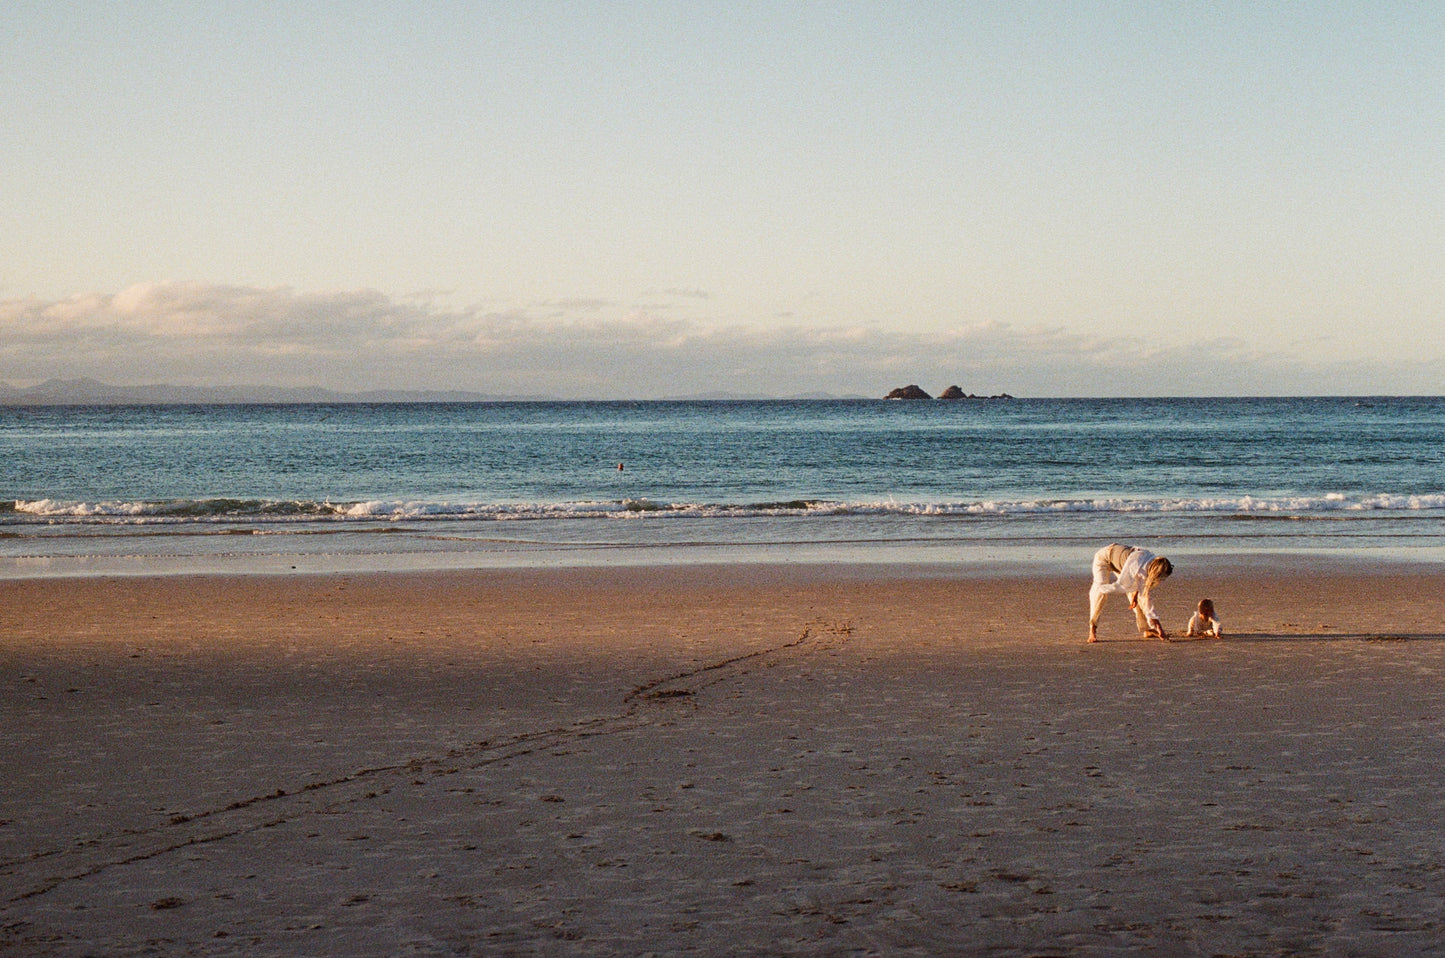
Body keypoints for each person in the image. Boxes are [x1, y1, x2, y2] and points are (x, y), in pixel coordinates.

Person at [1088, 543, 1173, 642]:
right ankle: (1092, 629)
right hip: (1103, 559)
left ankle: (1147, 629)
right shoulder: (1138, 565)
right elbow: (1145, 599)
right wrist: (1159, 627)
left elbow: (1142, 587)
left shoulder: (1152, 562)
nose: (1160, 580)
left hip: (1123, 565)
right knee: (1100, 594)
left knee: (1136, 596)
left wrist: (1135, 595)